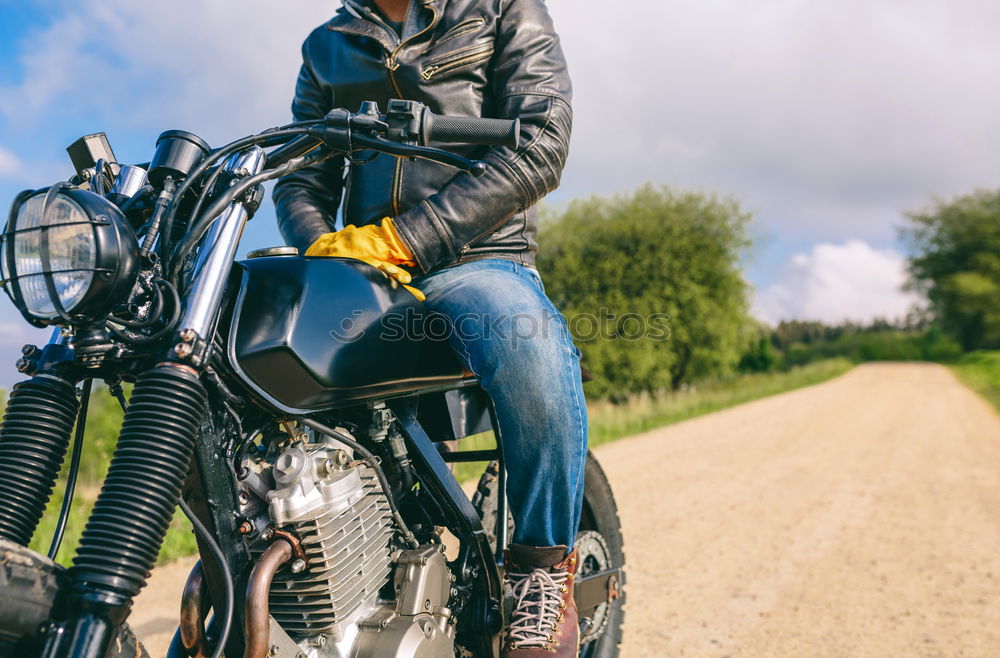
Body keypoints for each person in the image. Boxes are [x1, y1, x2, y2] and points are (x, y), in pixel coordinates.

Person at [272, 0, 584, 654]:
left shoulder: (502, 10)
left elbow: (541, 142)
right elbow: (300, 173)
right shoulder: (326, 42)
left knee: (527, 340)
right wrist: (321, 247)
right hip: (360, 269)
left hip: (473, 258)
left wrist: (408, 239)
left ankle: (541, 571)